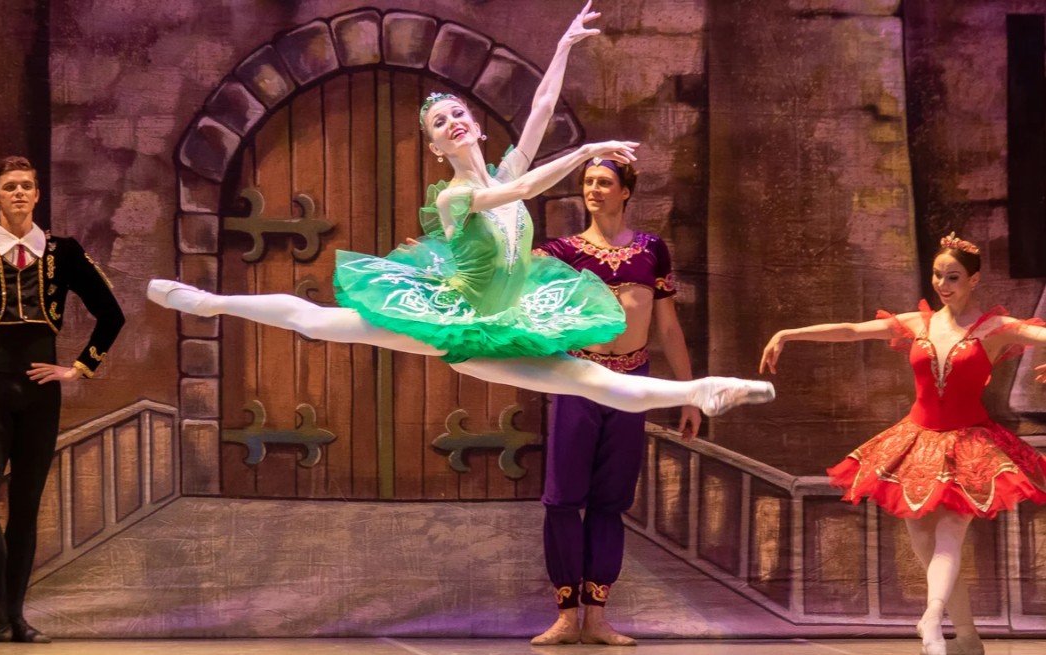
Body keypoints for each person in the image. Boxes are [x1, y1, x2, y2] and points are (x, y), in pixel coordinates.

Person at [147, 3, 774, 417]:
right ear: (436, 147)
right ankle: (210, 303)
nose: (453, 121)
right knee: (318, 322)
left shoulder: (504, 168)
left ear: (473, 125)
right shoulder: (454, 196)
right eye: (440, 123)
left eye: (458, 114)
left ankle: (700, 390)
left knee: (590, 382)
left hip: (512, 317)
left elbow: (538, 113)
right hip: (453, 319)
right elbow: (520, 193)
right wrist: (585, 151)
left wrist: (562, 48)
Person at [760, 233, 1046, 655]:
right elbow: (853, 331)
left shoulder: (996, 329)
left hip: (968, 444)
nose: (943, 284)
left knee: (951, 531)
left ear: (974, 280)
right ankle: (968, 639)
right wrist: (790, 332)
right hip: (916, 442)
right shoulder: (919, 323)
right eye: (937, 275)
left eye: (953, 277)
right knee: (926, 543)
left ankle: (931, 617)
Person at [0, 156, 125, 644]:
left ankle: (15, 618)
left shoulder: (64, 252)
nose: (19, 192)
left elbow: (111, 314)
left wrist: (79, 367)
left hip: (41, 392)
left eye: (26, 186)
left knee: (25, 505)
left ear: (37, 195)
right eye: (10, 187)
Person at [528, 158, 696, 646]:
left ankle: (597, 619)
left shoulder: (651, 249)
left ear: (625, 192)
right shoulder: (562, 252)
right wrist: (455, 251)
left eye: (604, 183)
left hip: (630, 381)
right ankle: (566, 615)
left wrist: (688, 394)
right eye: (588, 183)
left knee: (611, 500)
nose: (594, 190)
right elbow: (503, 268)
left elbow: (668, 328)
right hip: (579, 378)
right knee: (563, 499)